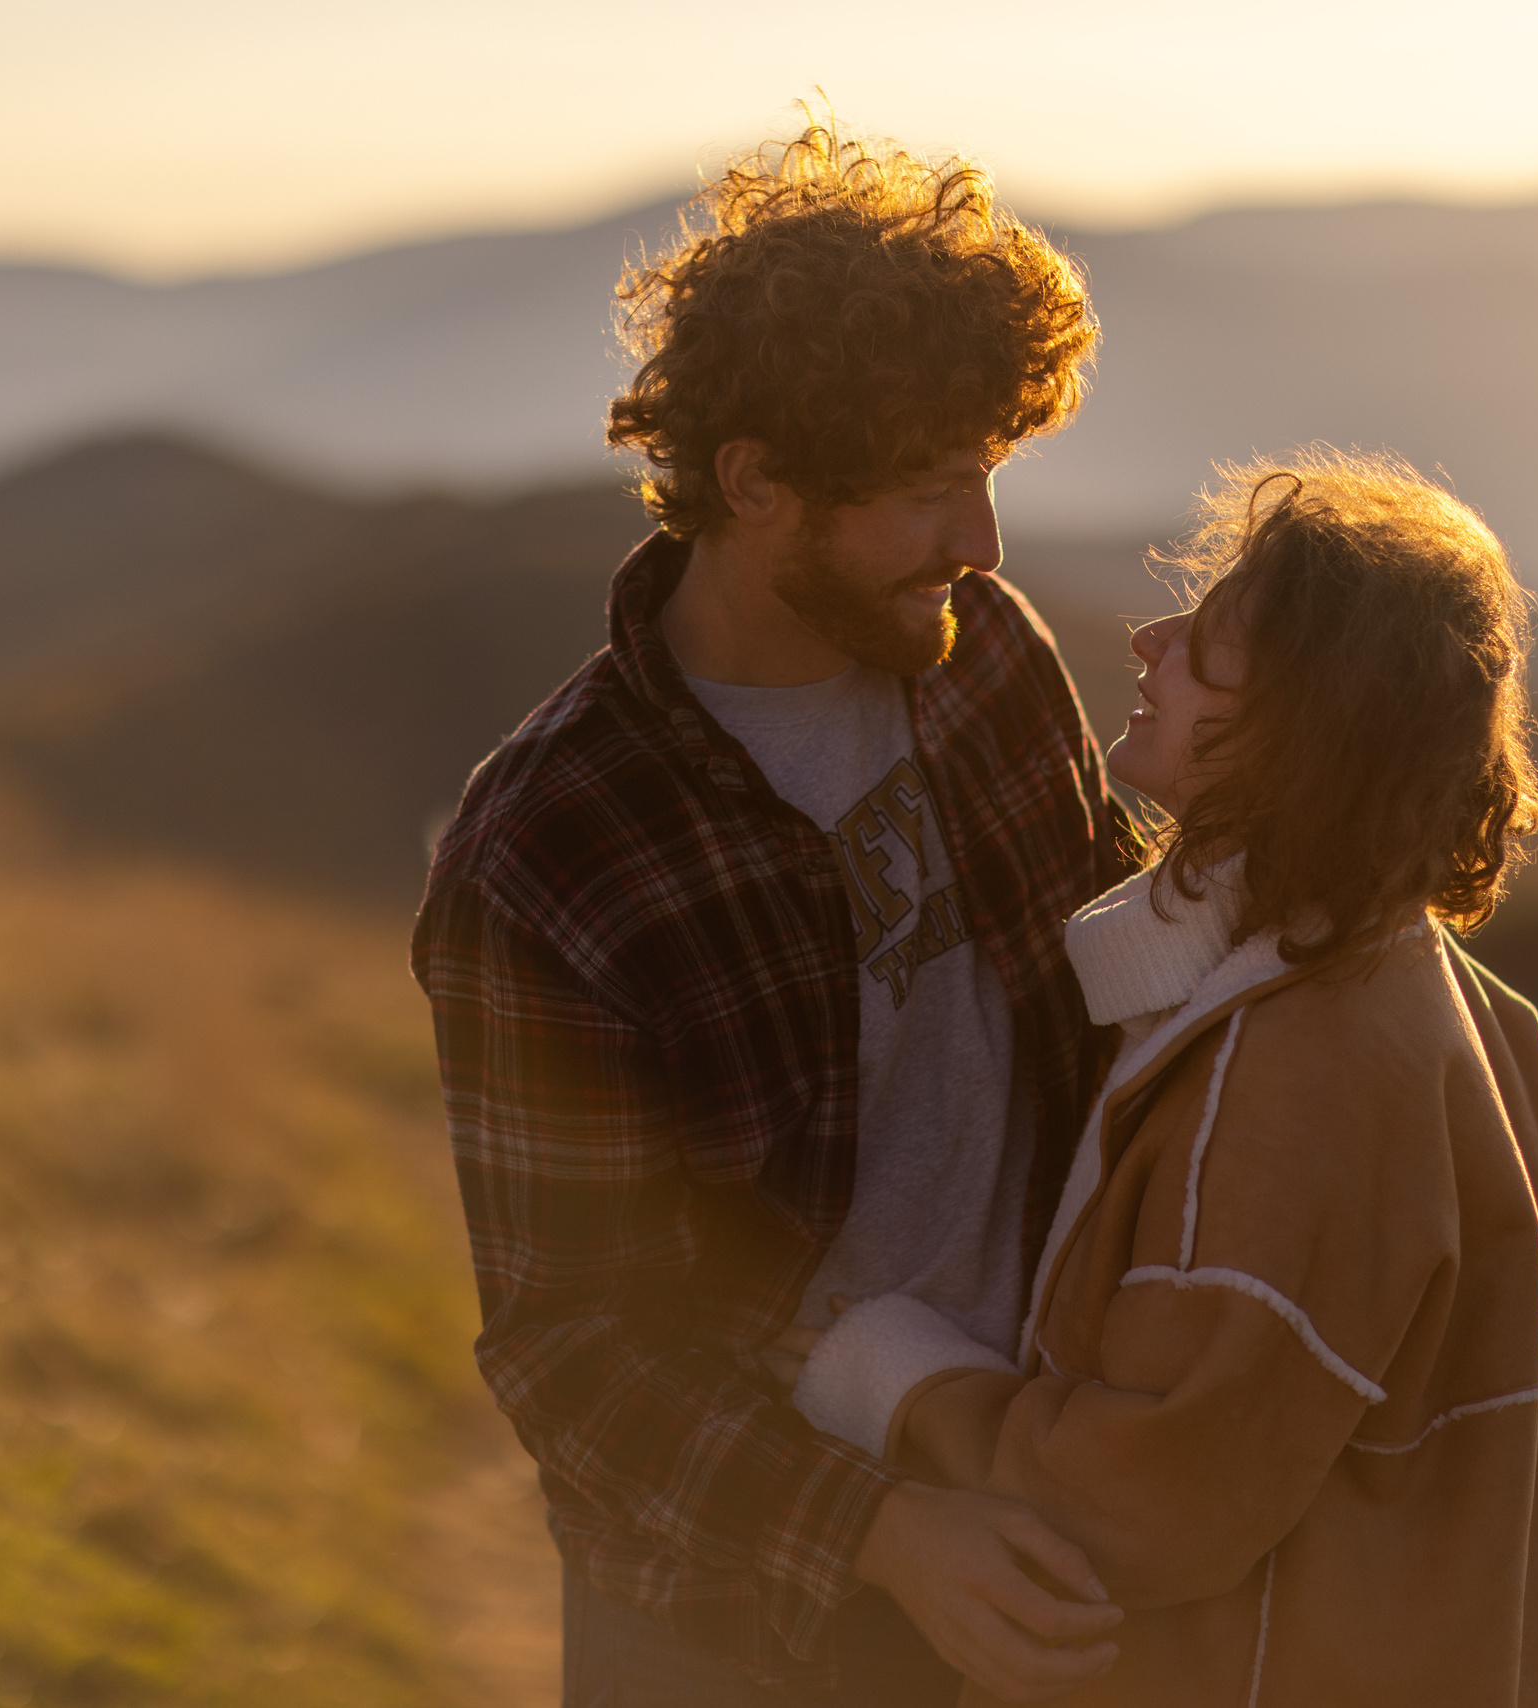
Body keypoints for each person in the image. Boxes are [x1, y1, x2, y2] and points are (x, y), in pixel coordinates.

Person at [410, 116, 1140, 1705]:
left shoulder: (988, 662)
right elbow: (575, 1350)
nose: (981, 542)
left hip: (1041, 1488)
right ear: (754, 483)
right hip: (738, 1612)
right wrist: (882, 1532)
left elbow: (1118, 1005)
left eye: (988, 478)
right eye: (933, 490)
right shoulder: (551, 853)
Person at [787, 449, 1538, 1706]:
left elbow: (1137, 1502)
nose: (1149, 641)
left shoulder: (1294, 1071)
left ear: (1304, 724)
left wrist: (888, 1370)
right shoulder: (1435, 991)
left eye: (1208, 646)